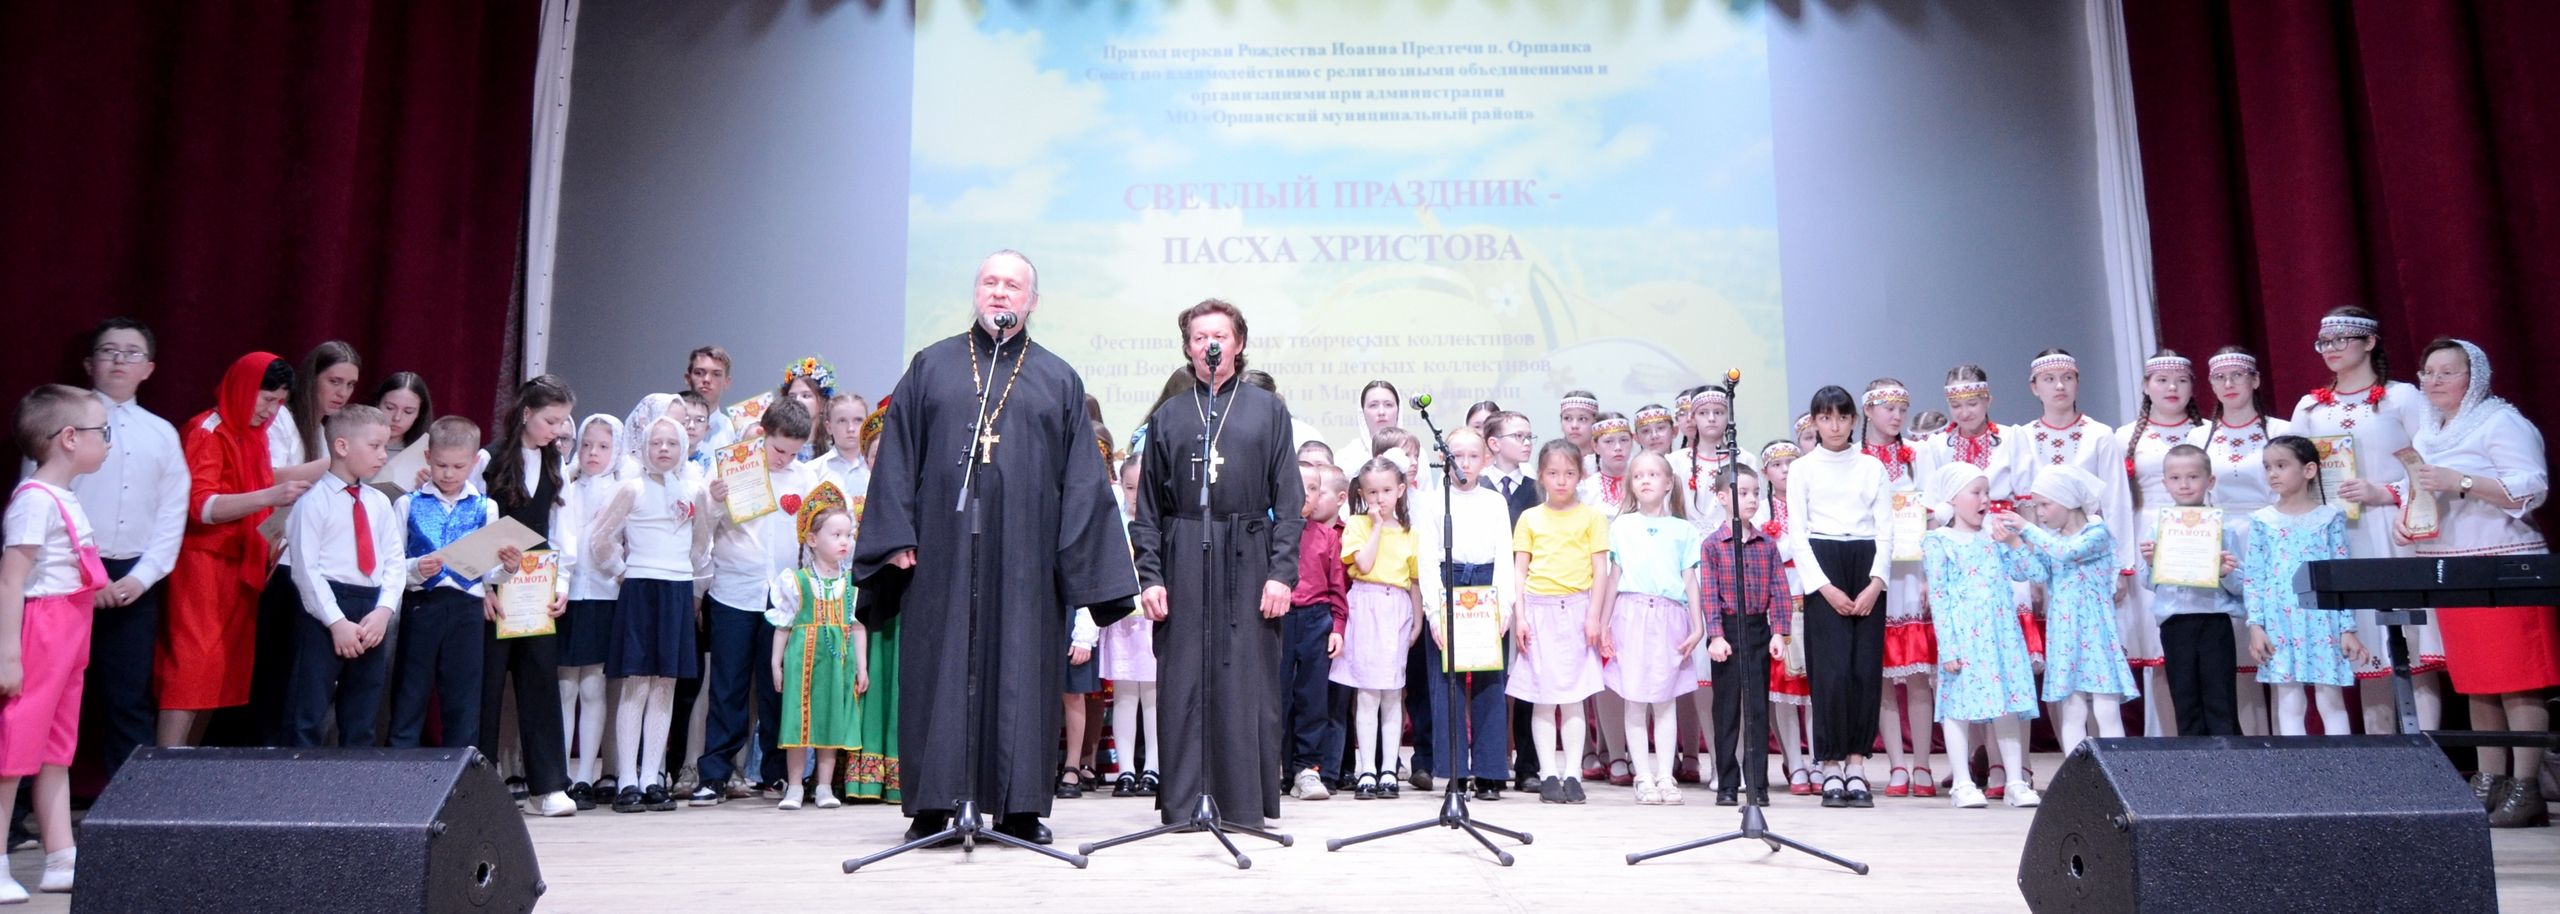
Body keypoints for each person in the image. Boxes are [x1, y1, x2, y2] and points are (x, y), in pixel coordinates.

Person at [857, 250, 1139, 845]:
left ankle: (1020, 808)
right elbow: (897, 456)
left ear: (1032, 301)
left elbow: (1082, 482)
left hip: (1027, 560)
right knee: (938, 669)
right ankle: (932, 805)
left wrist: (1082, 568)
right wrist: (896, 537)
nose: (1000, 292)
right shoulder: (931, 366)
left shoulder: (1057, 378)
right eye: (990, 282)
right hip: (941, 552)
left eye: (1013, 285)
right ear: (975, 292)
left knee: (1022, 671)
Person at [1130, 298, 1302, 830]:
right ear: (1188, 348)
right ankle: (1185, 802)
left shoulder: (1267, 410)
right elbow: (1148, 510)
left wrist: (1281, 573)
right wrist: (1150, 576)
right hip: (1184, 552)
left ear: (1238, 344)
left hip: (1249, 556)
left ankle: (1244, 804)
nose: (1210, 343)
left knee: (1246, 682)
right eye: (1200, 336)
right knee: (1183, 680)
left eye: (1220, 335)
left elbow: (1290, 501)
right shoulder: (1168, 416)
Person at [2398, 339, 2554, 827]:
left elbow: (2531, 486)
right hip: (2455, 567)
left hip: (2506, 564)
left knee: (2517, 682)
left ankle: (2526, 787)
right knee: (2477, 683)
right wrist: (2407, 518)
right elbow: (2419, 490)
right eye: (2428, 373)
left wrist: (2461, 481)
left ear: (2475, 377)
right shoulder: (2429, 431)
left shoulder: (2501, 421)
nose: (2435, 381)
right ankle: (2489, 780)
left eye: (2448, 372)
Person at [2288, 308, 2446, 734]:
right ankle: (2382, 755)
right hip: (2341, 537)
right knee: (2364, 646)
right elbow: (2290, 471)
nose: (2332, 348)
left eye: (2342, 339)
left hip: (2394, 530)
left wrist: (2386, 492)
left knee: (2410, 643)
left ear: (2370, 342)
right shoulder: (2310, 408)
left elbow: (2432, 463)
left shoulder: (2402, 398)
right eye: (2325, 342)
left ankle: (2427, 750)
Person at [50, 320, 187, 784]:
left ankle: (128, 803)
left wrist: (142, 577)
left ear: (148, 368)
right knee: (49, 693)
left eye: (132, 353)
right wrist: (86, 576)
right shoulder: (59, 423)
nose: (119, 361)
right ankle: (20, 805)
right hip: (65, 575)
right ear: (90, 363)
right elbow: (43, 502)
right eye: (109, 351)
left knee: (128, 697)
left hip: (133, 580)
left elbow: (172, 512)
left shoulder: (162, 433)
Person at [157, 355, 308, 748]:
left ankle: (186, 761)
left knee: (219, 674)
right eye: (266, 399)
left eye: (279, 402)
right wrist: (271, 496)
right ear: (244, 389)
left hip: (243, 564)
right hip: (203, 565)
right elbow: (202, 506)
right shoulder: (206, 430)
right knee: (191, 667)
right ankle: (165, 765)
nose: (271, 411)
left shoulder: (256, 435)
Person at [2, 384, 114, 898]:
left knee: (56, 747)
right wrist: (9, 653)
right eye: (102, 432)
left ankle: (61, 855)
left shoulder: (63, 497)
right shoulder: (34, 501)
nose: (107, 442)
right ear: (70, 438)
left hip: (71, 627)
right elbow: (10, 581)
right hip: (41, 629)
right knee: (15, 749)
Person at [691, 399, 814, 806]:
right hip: (734, 592)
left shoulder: (805, 476)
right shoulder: (728, 469)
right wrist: (713, 500)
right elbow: (703, 530)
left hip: (783, 598)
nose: (785, 459)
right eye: (780, 449)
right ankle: (714, 774)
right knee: (728, 685)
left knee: (777, 686)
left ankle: (775, 773)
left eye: (794, 452)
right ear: (763, 434)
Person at [596, 415, 712, 813]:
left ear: (683, 448)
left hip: (676, 589)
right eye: (656, 442)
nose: (663, 449)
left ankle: (652, 777)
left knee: (666, 685)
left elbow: (702, 543)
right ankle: (627, 778)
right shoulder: (632, 488)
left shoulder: (694, 490)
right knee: (636, 684)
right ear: (644, 448)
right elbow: (601, 537)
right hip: (641, 589)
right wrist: (622, 571)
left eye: (672, 443)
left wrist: (685, 572)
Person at [1784, 386, 1891, 809]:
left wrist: (1876, 582)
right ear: (1814, 422)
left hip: (1865, 560)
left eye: (1842, 417)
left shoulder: (1871, 467)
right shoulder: (1802, 469)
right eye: (1825, 418)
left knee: (1864, 669)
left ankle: (1857, 764)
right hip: (1822, 561)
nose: (1834, 426)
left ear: (1853, 421)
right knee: (1830, 673)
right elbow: (1797, 533)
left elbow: (1885, 530)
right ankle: (1829, 764)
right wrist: (1823, 587)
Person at [480, 376, 578, 816]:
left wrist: (562, 586)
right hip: (494, 586)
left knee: (540, 681)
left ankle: (548, 787)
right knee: (486, 686)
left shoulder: (556, 465)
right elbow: (473, 524)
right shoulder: (490, 459)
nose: (556, 430)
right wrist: (482, 585)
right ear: (526, 413)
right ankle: (479, 786)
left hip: (537, 587)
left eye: (562, 423)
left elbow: (563, 531)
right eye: (550, 420)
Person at [280, 405, 402, 749]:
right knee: (308, 709)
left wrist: (383, 611)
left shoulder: (379, 502)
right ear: (342, 446)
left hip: (370, 609)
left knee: (362, 710)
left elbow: (394, 561)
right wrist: (336, 622)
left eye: (384, 446)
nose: (383, 455)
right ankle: (299, 778)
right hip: (325, 610)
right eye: (374, 446)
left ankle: (356, 777)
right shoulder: (313, 502)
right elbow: (306, 571)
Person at [1923, 463, 2040, 810]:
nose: (1985, 499)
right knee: (1957, 708)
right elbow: (1939, 598)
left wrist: (2015, 541)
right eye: (1976, 492)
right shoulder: (1939, 541)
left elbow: (2028, 571)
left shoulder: (1995, 537)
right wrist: (1948, 647)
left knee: (2007, 706)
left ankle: (2015, 781)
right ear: (1953, 498)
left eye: (1987, 492)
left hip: (2001, 636)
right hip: (1963, 637)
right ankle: (1962, 782)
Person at [1413, 429, 1518, 802]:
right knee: (1447, 685)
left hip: (1486, 589)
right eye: (1457, 456)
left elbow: (1504, 555)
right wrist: (1433, 612)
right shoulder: (1432, 502)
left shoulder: (1494, 502)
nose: (1465, 463)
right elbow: (1427, 559)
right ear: (1444, 458)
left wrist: (1505, 605)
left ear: (1485, 460)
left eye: (1474, 456)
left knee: (1490, 684)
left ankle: (1490, 771)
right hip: (1448, 586)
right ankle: (1454, 771)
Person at [2187, 347, 2288, 735]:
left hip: (2270, 537)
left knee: (2275, 643)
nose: (2229, 384)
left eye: (2238, 375)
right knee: (2234, 644)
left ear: (2255, 380)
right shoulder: (2200, 435)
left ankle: (2285, 744)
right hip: (2220, 541)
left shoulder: (2280, 429)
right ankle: (2248, 745)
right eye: (2219, 377)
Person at [1507, 439, 1608, 805]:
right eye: (1553, 473)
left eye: (1569, 473)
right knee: (1543, 698)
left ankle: (1573, 773)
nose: (1561, 480)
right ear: (1541, 476)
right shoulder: (1530, 518)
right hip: (1538, 611)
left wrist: (1594, 616)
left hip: (1578, 609)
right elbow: (1520, 571)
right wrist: (1520, 617)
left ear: (1580, 476)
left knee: (1574, 697)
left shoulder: (1592, 518)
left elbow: (1600, 570)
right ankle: (1549, 772)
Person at [1598, 452, 1702, 805]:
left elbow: (1690, 579)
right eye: (1638, 475)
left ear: (1669, 482)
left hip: (1670, 616)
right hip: (1631, 613)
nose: (1645, 480)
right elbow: (1614, 577)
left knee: (1665, 700)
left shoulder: (1684, 530)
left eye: (1653, 474)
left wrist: (1698, 625)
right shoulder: (1621, 526)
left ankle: (1665, 775)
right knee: (1634, 699)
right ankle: (1643, 775)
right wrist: (1604, 623)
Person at [2015, 465, 2137, 762]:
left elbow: (2068, 552)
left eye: (2045, 504)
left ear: (2067, 501)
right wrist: (2015, 545)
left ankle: (2117, 772)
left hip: (2095, 631)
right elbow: (2035, 572)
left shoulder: (2097, 533)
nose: (2039, 513)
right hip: (2065, 633)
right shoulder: (2050, 539)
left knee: (2106, 708)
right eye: (2036, 506)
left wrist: (2027, 529)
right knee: (2072, 710)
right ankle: (2076, 776)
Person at [2243, 436, 2362, 737]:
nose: (2272, 473)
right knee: (2289, 702)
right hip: (2279, 621)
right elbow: (2254, 576)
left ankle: (2344, 762)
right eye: (2268, 467)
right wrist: (2256, 625)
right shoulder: (2262, 521)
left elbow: (2342, 574)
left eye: (2281, 465)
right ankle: (2296, 764)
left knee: (2331, 701)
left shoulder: (2329, 517)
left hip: (2323, 620)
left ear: (2308, 470)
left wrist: (2347, 628)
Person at [387, 417, 494, 751]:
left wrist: (506, 567)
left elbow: (489, 573)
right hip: (422, 606)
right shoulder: (408, 504)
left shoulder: (486, 507)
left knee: (463, 695)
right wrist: (417, 568)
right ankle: (399, 768)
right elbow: (392, 565)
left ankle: (460, 771)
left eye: (458, 466)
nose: (448, 473)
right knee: (410, 690)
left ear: (474, 462)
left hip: (467, 609)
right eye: (441, 465)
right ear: (428, 458)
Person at [2116, 351, 2202, 735]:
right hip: (2146, 536)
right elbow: (2116, 502)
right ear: (2146, 386)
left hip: (2198, 534)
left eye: (2181, 380)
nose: (2172, 388)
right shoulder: (2124, 437)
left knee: (2204, 642)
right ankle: (2168, 743)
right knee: (2160, 650)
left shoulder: (2204, 433)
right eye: (2162, 380)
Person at [1861, 379, 1939, 800]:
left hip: (1912, 573)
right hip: (1874, 573)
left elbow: (1936, 509)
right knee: (1883, 676)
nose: (1896, 416)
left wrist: (1929, 572)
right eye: (1888, 407)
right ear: (1868, 410)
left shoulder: (1919, 455)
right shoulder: (1855, 458)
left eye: (1902, 408)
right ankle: (1895, 765)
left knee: (1918, 673)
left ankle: (1922, 763)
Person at [767, 482, 866, 811]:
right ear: (812, 539)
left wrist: (862, 666)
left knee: (831, 718)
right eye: (836, 535)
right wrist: (776, 663)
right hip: (802, 658)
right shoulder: (796, 581)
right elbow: (784, 625)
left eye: (848, 535)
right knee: (798, 719)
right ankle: (794, 786)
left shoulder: (850, 583)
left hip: (838, 662)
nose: (844, 541)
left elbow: (857, 626)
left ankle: (824, 786)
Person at [2138, 444, 2246, 737]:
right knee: (2185, 697)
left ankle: (2229, 758)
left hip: (2214, 620)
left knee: (2220, 697)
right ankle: (2193, 760)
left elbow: (2241, 586)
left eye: (2193, 477)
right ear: (2165, 483)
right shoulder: (2157, 528)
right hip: (2174, 622)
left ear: (2210, 481)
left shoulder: (2225, 528)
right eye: (2175, 478)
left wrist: (2224, 573)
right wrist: (2152, 563)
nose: (2184, 485)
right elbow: (2148, 583)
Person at [1702, 463, 1793, 807]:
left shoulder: (1766, 544)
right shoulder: (1713, 545)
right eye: (1743, 493)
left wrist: (1779, 631)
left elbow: (1779, 589)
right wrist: (1715, 635)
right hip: (1727, 631)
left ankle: (1757, 784)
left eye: (1755, 493)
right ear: (1722, 498)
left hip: (1757, 630)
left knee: (1756, 711)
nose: (1752, 499)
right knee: (1726, 711)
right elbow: (1709, 594)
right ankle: (1726, 784)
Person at [1332, 457, 1418, 800]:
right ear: (1361, 494)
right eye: (1372, 492)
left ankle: (1389, 769)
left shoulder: (1410, 532)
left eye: (1386, 491)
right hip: (1365, 605)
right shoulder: (1356, 525)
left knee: (1393, 692)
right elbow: (1364, 564)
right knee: (1367, 693)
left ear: (1400, 490)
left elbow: (1414, 581)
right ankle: (1367, 767)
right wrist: (1378, 526)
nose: (1379, 498)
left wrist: (1417, 620)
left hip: (1396, 608)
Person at [555, 414, 626, 805]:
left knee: (594, 686)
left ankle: (586, 774)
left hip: (604, 595)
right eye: (586, 445)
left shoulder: (621, 490)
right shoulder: (564, 487)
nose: (593, 453)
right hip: (566, 595)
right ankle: (562, 774)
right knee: (565, 685)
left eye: (602, 446)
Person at [845, 402, 901, 804]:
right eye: (876, 453)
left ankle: (898, 774)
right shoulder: (852, 504)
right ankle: (862, 778)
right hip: (859, 601)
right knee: (866, 680)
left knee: (895, 684)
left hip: (896, 602)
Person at [1754, 440, 1817, 796]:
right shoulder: (1761, 510)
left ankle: (1819, 760)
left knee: (1816, 688)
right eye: (1777, 465)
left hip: (1815, 597)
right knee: (1784, 689)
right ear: (1766, 473)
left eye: (1792, 462)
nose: (1786, 470)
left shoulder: (1813, 503)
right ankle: (1795, 763)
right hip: (1779, 602)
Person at [1282, 463, 1346, 800]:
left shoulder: (1327, 536)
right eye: (1299, 486)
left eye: (1313, 489)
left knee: (1313, 699)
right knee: (1276, 697)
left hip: (1316, 621)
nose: (1305, 495)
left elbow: (1337, 587)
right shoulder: (1269, 534)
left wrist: (1337, 626)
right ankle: (1274, 768)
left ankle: (1306, 769)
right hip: (1276, 619)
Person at [685, 346, 741, 452]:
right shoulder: (668, 425)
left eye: (716, 374)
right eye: (699, 373)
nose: (707, 379)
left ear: (727, 382)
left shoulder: (735, 434)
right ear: (688, 378)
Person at [1577, 413, 1634, 517]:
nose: (1618, 447)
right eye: (1608, 441)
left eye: (1624, 440)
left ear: (1632, 443)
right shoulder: (1586, 489)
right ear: (1595, 446)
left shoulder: (1643, 483)